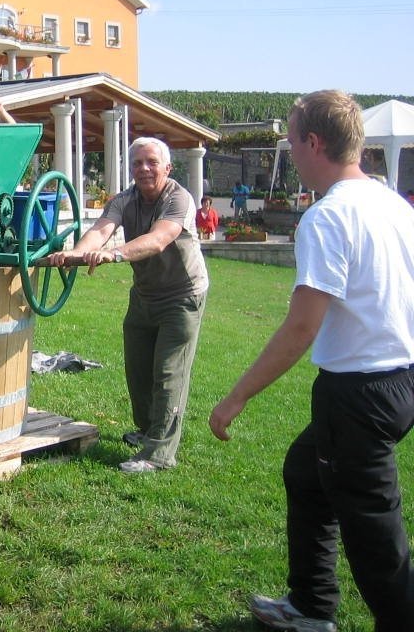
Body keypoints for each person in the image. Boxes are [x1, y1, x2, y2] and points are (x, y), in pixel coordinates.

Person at [209, 90, 414, 632]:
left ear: (314, 143)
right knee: (305, 473)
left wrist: (236, 397)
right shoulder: (394, 204)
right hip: (399, 385)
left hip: (358, 396)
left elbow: (302, 326)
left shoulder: (328, 217)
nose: (292, 151)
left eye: (293, 140)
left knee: (376, 541)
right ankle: (310, 604)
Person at [43, 137, 208, 473]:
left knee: (168, 373)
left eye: (151, 162)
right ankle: (147, 430)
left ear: (167, 168)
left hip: (182, 296)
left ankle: (158, 455)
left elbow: (158, 239)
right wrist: (74, 253)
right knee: (138, 369)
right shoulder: (124, 200)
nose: (144, 169)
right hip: (144, 294)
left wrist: (114, 254)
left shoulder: (179, 199)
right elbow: (100, 230)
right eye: (137, 163)